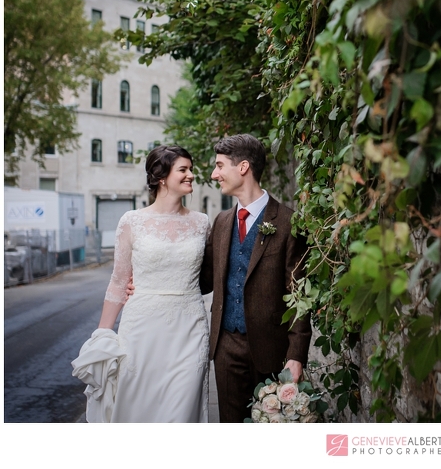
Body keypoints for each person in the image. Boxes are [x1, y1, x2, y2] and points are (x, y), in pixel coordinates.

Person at [72, 145, 210, 422]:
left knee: (180, 414)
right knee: (138, 409)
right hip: (141, 329)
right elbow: (119, 281)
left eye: (191, 169)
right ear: (161, 177)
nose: (191, 175)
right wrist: (102, 336)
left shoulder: (202, 223)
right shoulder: (132, 221)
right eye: (183, 170)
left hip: (190, 328)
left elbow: (209, 276)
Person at [200, 134, 310, 423]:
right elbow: (203, 281)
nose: (214, 174)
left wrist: (296, 355)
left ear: (243, 167)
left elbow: (300, 294)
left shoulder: (288, 223)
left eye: (220, 166)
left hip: (272, 350)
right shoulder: (222, 222)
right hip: (226, 348)